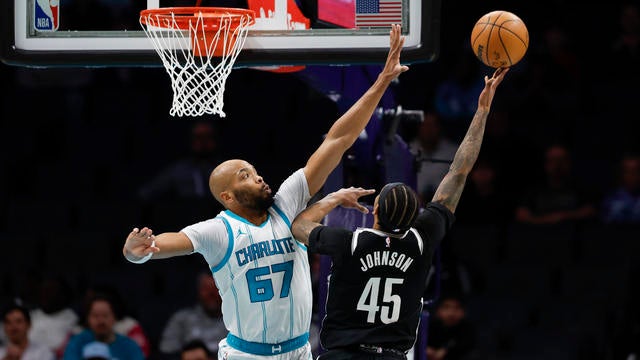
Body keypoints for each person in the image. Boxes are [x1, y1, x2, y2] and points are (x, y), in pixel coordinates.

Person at [122, 24, 409, 360]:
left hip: (300, 350)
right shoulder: (219, 231)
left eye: (256, 172)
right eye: (246, 176)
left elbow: (337, 139)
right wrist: (135, 251)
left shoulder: (286, 202)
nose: (258, 178)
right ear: (228, 196)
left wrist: (381, 82)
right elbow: (161, 246)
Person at [290, 68, 509, 359]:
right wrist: (482, 110)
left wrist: (334, 199)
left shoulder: (349, 243)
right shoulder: (422, 238)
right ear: (415, 216)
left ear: (375, 209)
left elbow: (299, 225)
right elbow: (459, 172)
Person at [137, 120, 224, 201]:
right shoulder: (178, 170)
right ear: (191, 140)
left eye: (207, 137)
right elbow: (146, 193)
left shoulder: (225, 170)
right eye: (198, 137)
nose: (203, 142)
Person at [514, 143, 597, 225]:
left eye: (561, 160)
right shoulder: (534, 189)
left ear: (569, 163)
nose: (557, 165)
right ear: (546, 164)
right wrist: (546, 220)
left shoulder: (580, 187)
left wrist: (563, 217)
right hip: (540, 235)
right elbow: (521, 215)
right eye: (553, 160)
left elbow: (590, 211)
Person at [159, 272, 226, 357]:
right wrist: (185, 355)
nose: (211, 294)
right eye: (206, 288)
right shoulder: (181, 318)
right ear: (198, 291)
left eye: (216, 288)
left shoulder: (235, 321)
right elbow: (166, 350)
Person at [62, 293, 144, 360]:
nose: (100, 321)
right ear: (88, 319)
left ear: (115, 318)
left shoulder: (129, 346)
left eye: (105, 315)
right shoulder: (77, 343)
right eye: (95, 316)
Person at [408, 111, 458, 203]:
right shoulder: (408, 150)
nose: (429, 130)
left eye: (432, 125)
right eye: (425, 125)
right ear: (419, 127)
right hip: (415, 205)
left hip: (446, 204)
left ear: (439, 128)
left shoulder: (453, 151)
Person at [425, 293, 476, 360]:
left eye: (457, 307)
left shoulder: (468, 330)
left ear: (463, 312)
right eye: (446, 307)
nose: (451, 313)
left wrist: (445, 351)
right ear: (438, 311)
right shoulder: (429, 328)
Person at [601, 153, 640, 224]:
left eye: (636, 171)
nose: (631, 175)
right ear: (621, 173)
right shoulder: (611, 201)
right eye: (627, 171)